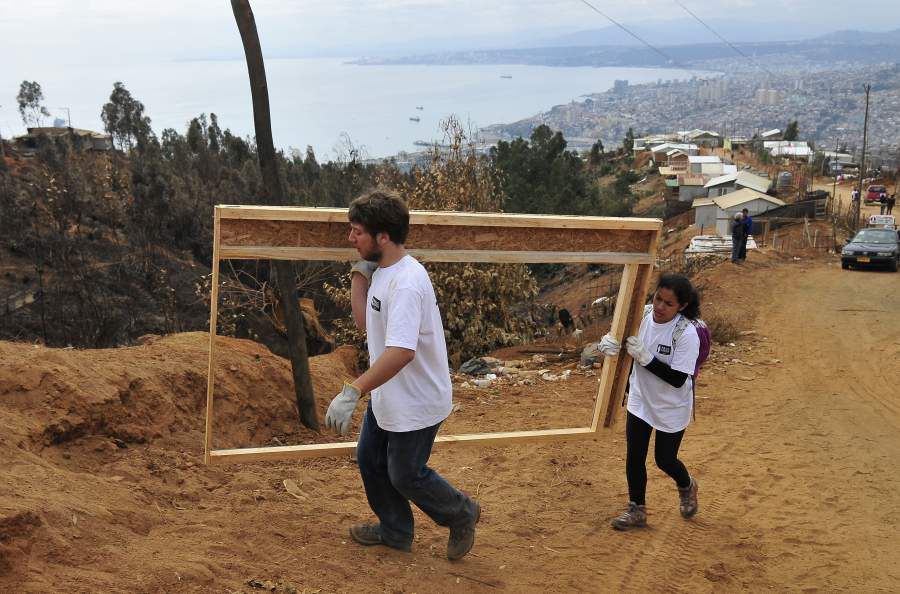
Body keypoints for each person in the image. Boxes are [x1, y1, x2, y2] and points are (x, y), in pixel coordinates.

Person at [325, 189, 480, 560]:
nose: (350, 238)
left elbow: (402, 352)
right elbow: (366, 324)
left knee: (405, 474)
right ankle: (395, 530)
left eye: (356, 231)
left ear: (383, 237)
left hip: (417, 399)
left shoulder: (407, 282)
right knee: (369, 460)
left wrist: (354, 390)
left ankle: (461, 513)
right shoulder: (383, 271)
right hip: (389, 395)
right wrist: (359, 275)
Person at [596, 274, 702, 530]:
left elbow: (677, 379)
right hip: (641, 399)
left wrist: (646, 358)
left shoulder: (687, 334)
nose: (660, 307)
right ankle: (636, 509)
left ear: (682, 306)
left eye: (669, 304)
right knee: (634, 456)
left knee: (664, 460)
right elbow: (620, 339)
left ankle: (686, 484)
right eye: (658, 298)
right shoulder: (640, 317)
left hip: (670, 406)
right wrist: (608, 345)